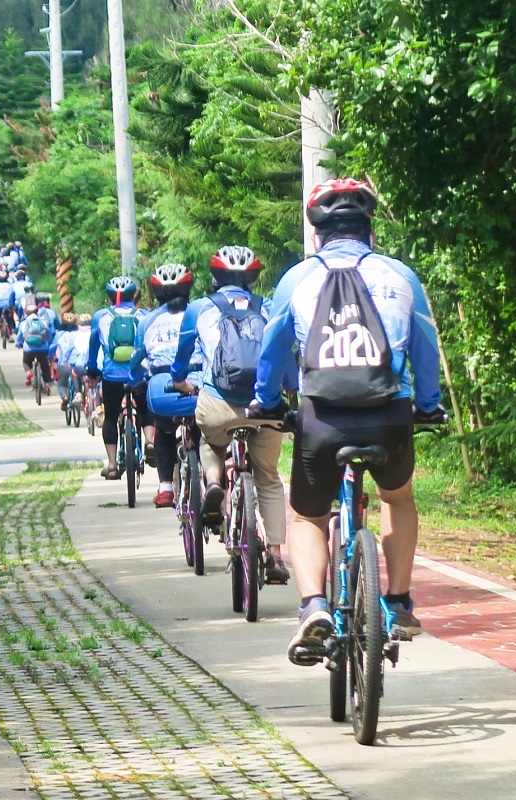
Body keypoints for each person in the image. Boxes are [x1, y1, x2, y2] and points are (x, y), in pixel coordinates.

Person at [246, 178, 445, 664]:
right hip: (389, 415)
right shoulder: (401, 276)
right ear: (370, 232)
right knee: (396, 497)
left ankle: (314, 605)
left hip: (322, 420)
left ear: (318, 235)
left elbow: (273, 353)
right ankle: (396, 604)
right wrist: (428, 403)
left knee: (306, 515)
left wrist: (265, 403)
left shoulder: (298, 278)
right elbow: (424, 348)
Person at [171, 247, 290, 583]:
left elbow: (181, 360)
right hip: (264, 405)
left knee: (210, 440)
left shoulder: (199, 308)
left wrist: (179, 380)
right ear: (253, 277)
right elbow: (285, 352)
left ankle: (212, 484)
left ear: (214, 277)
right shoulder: (267, 306)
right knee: (268, 476)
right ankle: (277, 557)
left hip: (218, 403)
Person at [129, 264, 196, 508]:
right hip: (196, 385)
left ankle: (165, 488)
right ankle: (212, 481)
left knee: (164, 431)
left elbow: (137, 357)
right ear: (189, 288)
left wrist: (135, 382)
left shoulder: (148, 321)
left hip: (161, 389)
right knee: (204, 428)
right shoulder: (201, 313)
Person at [87, 276, 150, 480]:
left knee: (111, 417)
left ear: (109, 296)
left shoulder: (100, 316)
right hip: (138, 373)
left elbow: (93, 346)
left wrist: (92, 368)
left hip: (111, 376)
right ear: (134, 295)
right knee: (145, 409)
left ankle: (113, 465)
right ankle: (149, 443)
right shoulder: (143, 315)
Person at [16, 302, 54, 389]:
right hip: (43, 348)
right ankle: (47, 383)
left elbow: (19, 337)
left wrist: (18, 343)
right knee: (44, 364)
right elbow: (49, 334)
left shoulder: (23, 323)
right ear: (37, 312)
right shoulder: (43, 323)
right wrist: (49, 342)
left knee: (26, 362)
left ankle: (28, 371)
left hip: (28, 348)